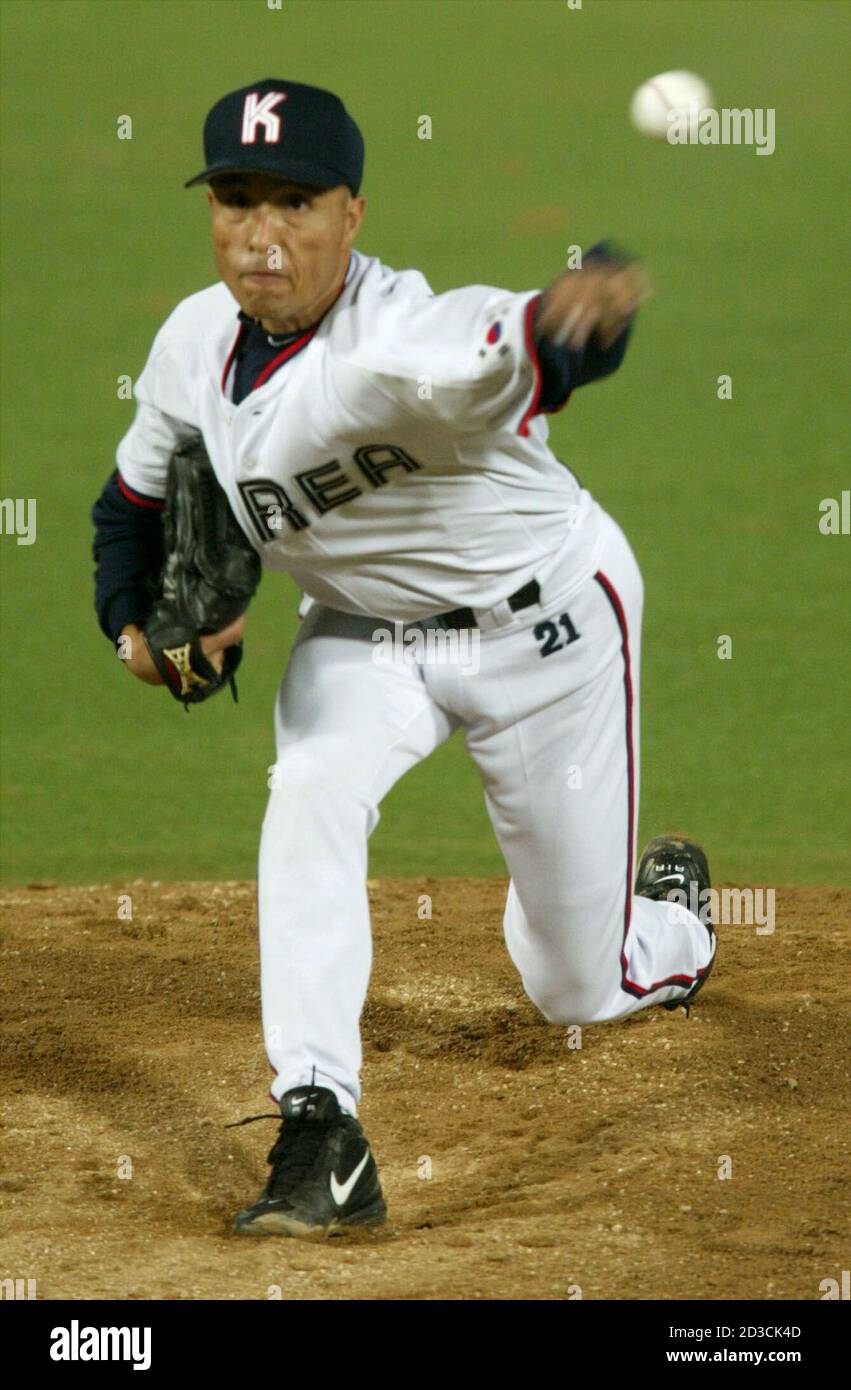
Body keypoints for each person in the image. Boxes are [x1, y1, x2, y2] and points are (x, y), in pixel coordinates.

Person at [91, 78, 716, 1241]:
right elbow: (128, 506)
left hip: (543, 632)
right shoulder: (190, 341)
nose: (260, 233)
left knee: (574, 985)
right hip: (365, 636)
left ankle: (665, 924)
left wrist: (582, 314)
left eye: (293, 202)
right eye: (235, 199)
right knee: (311, 786)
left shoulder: (404, 342)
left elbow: (525, 341)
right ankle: (319, 1127)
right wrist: (140, 636)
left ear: (352, 214)